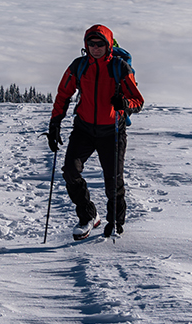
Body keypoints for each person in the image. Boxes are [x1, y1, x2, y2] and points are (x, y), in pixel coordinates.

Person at [47, 24, 145, 239]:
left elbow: (138, 101)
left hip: (112, 131)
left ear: (108, 45)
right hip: (84, 128)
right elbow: (63, 94)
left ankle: (116, 223)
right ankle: (88, 216)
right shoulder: (79, 66)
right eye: (91, 44)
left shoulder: (120, 68)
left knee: (113, 181)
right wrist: (55, 124)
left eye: (100, 44)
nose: (95, 47)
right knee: (70, 171)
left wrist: (125, 103)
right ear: (86, 45)